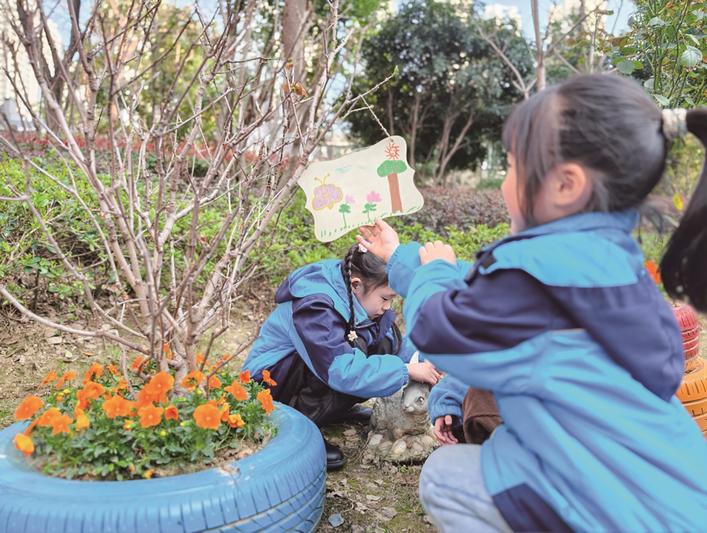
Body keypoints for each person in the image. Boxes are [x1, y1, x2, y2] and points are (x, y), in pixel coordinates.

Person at [357, 73, 707, 531]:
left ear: (566, 184)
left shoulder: (530, 275)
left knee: (445, 476)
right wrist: (401, 257)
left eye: (511, 166)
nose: (504, 183)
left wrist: (433, 273)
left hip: (613, 513)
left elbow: (441, 330)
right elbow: (488, 295)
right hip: (679, 498)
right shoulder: (615, 268)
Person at [242, 244, 441, 470]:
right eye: (385, 298)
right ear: (356, 285)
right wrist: (405, 371)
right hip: (271, 385)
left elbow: (393, 345)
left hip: (312, 371)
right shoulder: (314, 307)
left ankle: (330, 412)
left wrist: (423, 359)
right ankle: (299, 428)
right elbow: (340, 370)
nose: (387, 307)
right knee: (341, 360)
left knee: (381, 343)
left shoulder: (358, 295)